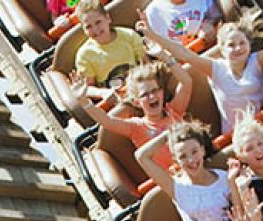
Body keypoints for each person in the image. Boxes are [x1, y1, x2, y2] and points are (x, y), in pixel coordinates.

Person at [136, 2, 263, 134]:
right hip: (237, 135)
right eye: (231, 45)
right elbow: (185, 54)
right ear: (222, 50)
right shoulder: (215, 68)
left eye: (242, 43)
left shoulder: (256, 62)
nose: (238, 48)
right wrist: (153, 36)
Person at [61, 61, 193, 170]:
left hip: (196, 162)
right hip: (173, 175)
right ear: (137, 102)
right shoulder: (137, 126)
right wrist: (83, 101)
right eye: (145, 95)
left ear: (162, 92)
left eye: (155, 91)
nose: (152, 96)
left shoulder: (174, 111)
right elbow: (106, 121)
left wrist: (166, 57)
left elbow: (186, 82)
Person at [136, 120, 233, 221]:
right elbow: (141, 156)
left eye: (194, 152)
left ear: (202, 150)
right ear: (176, 160)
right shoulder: (176, 187)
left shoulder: (224, 178)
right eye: (183, 156)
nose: (191, 160)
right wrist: (168, 134)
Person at [71, 0, 148, 100]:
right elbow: (88, 87)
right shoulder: (85, 54)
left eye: (98, 22)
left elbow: (146, 64)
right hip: (114, 98)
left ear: (108, 18)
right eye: (88, 27)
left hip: (140, 88)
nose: (95, 29)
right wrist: (102, 92)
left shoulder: (128, 35)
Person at [141, 0, 220, 43]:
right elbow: (154, 45)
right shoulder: (153, 12)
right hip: (180, 63)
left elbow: (216, 17)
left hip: (208, 48)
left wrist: (209, 24)